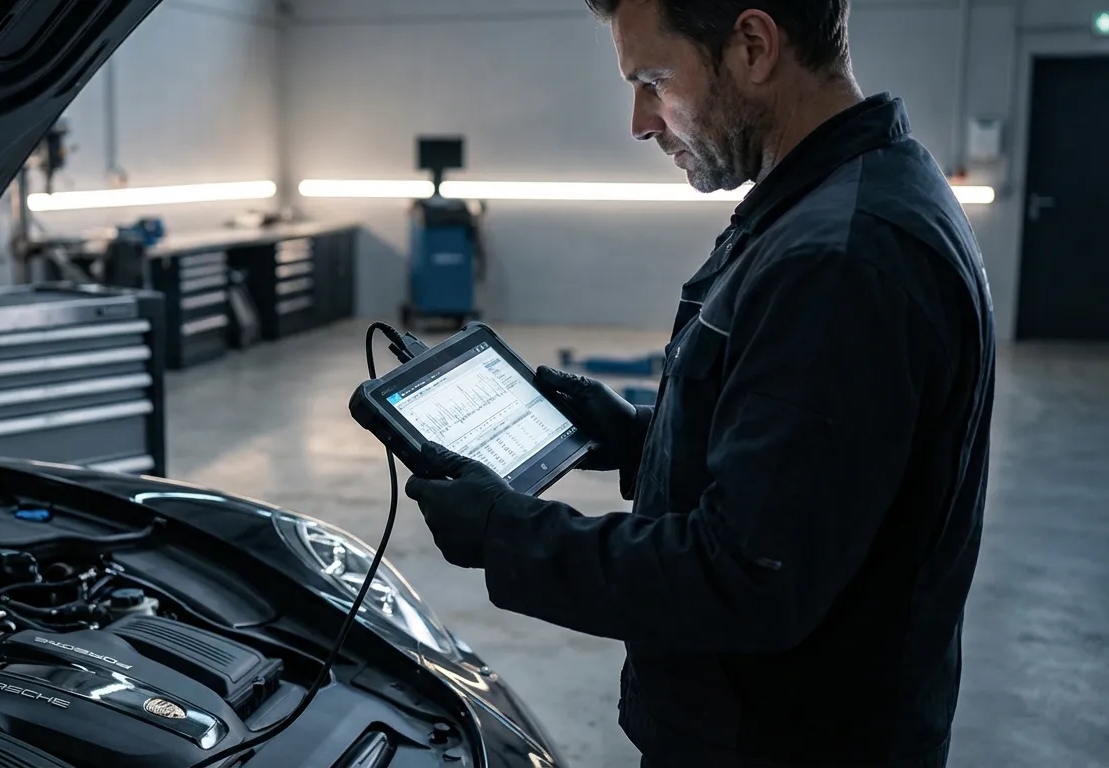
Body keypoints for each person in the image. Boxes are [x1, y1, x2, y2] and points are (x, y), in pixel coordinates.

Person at [402, 1, 997, 766]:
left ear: (752, 45)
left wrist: (505, 535)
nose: (640, 121)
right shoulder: (846, 195)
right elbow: (816, 472)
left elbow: (746, 577)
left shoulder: (840, 258)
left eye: (654, 79)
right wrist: (641, 439)